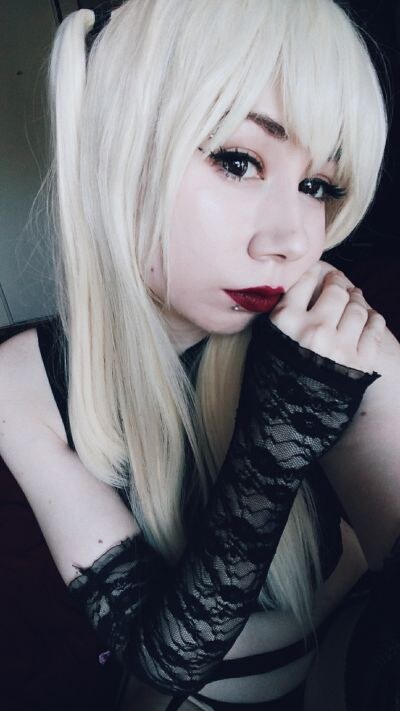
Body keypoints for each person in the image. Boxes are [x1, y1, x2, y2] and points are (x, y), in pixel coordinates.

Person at [0, 1, 399, 709]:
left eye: (318, 186)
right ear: (119, 149)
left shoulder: (325, 337)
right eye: (238, 161)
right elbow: (159, 669)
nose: (291, 240)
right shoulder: (19, 381)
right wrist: (276, 449)